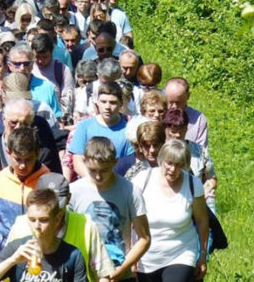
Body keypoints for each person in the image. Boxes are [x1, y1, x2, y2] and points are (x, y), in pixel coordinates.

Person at [3, 173, 116, 282]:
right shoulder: (20, 224)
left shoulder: (86, 224)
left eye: (58, 205)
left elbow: (104, 274)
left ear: (69, 198)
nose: (55, 210)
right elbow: (3, 270)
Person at [69, 137, 151, 282]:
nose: (98, 176)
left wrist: (121, 270)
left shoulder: (130, 191)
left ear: (115, 162)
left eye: (104, 170)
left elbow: (144, 238)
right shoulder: (73, 191)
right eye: (93, 170)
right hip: (82, 274)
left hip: (120, 272)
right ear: (85, 161)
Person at [0, 125, 52, 271]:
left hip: (38, 259)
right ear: (8, 152)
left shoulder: (48, 182)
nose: (22, 166)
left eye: (28, 159)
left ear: (38, 153)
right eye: (17, 159)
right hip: (3, 258)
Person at [131, 140, 210, 282]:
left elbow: (202, 220)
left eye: (179, 164)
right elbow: (129, 219)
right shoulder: (142, 180)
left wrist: (203, 254)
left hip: (181, 253)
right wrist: (130, 252)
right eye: (169, 163)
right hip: (146, 256)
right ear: (161, 160)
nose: (173, 169)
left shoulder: (193, 184)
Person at [0, 188, 88, 282]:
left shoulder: (72, 255)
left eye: (43, 220)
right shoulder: (18, 248)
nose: (37, 226)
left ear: (57, 219)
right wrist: (13, 260)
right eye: (32, 220)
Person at [69, 81, 135, 178]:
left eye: (113, 103)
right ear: (97, 102)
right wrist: (94, 180)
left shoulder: (128, 129)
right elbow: (78, 161)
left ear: (121, 103)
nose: (107, 107)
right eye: (103, 102)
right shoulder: (84, 126)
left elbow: (129, 162)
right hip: (89, 180)